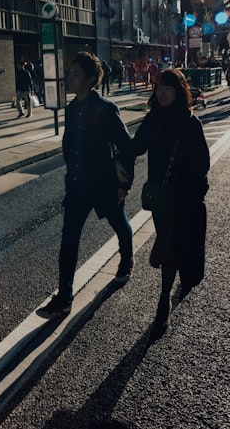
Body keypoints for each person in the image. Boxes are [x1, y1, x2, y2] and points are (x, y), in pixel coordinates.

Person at [38, 52, 135, 318]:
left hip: (104, 184)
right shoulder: (71, 109)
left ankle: (126, 260)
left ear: (91, 79)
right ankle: (65, 297)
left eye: (76, 74)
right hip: (78, 187)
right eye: (69, 73)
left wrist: (124, 182)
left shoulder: (105, 109)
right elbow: (69, 143)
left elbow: (127, 147)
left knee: (120, 224)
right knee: (68, 241)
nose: (70, 78)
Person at [133, 69, 210, 335]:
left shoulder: (190, 123)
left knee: (171, 247)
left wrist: (190, 192)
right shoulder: (152, 120)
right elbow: (135, 148)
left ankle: (164, 300)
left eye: (168, 88)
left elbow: (202, 165)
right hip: (160, 198)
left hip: (183, 199)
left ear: (179, 91)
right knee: (169, 245)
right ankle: (168, 292)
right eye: (158, 88)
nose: (162, 93)